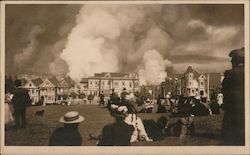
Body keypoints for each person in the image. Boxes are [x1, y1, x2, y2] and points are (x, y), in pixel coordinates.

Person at [221, 47, 244, 145]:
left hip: (233, 106)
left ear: (235, 61)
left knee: (230, 132)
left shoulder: (231, 74)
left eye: (232, 60)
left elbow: (224, 87)